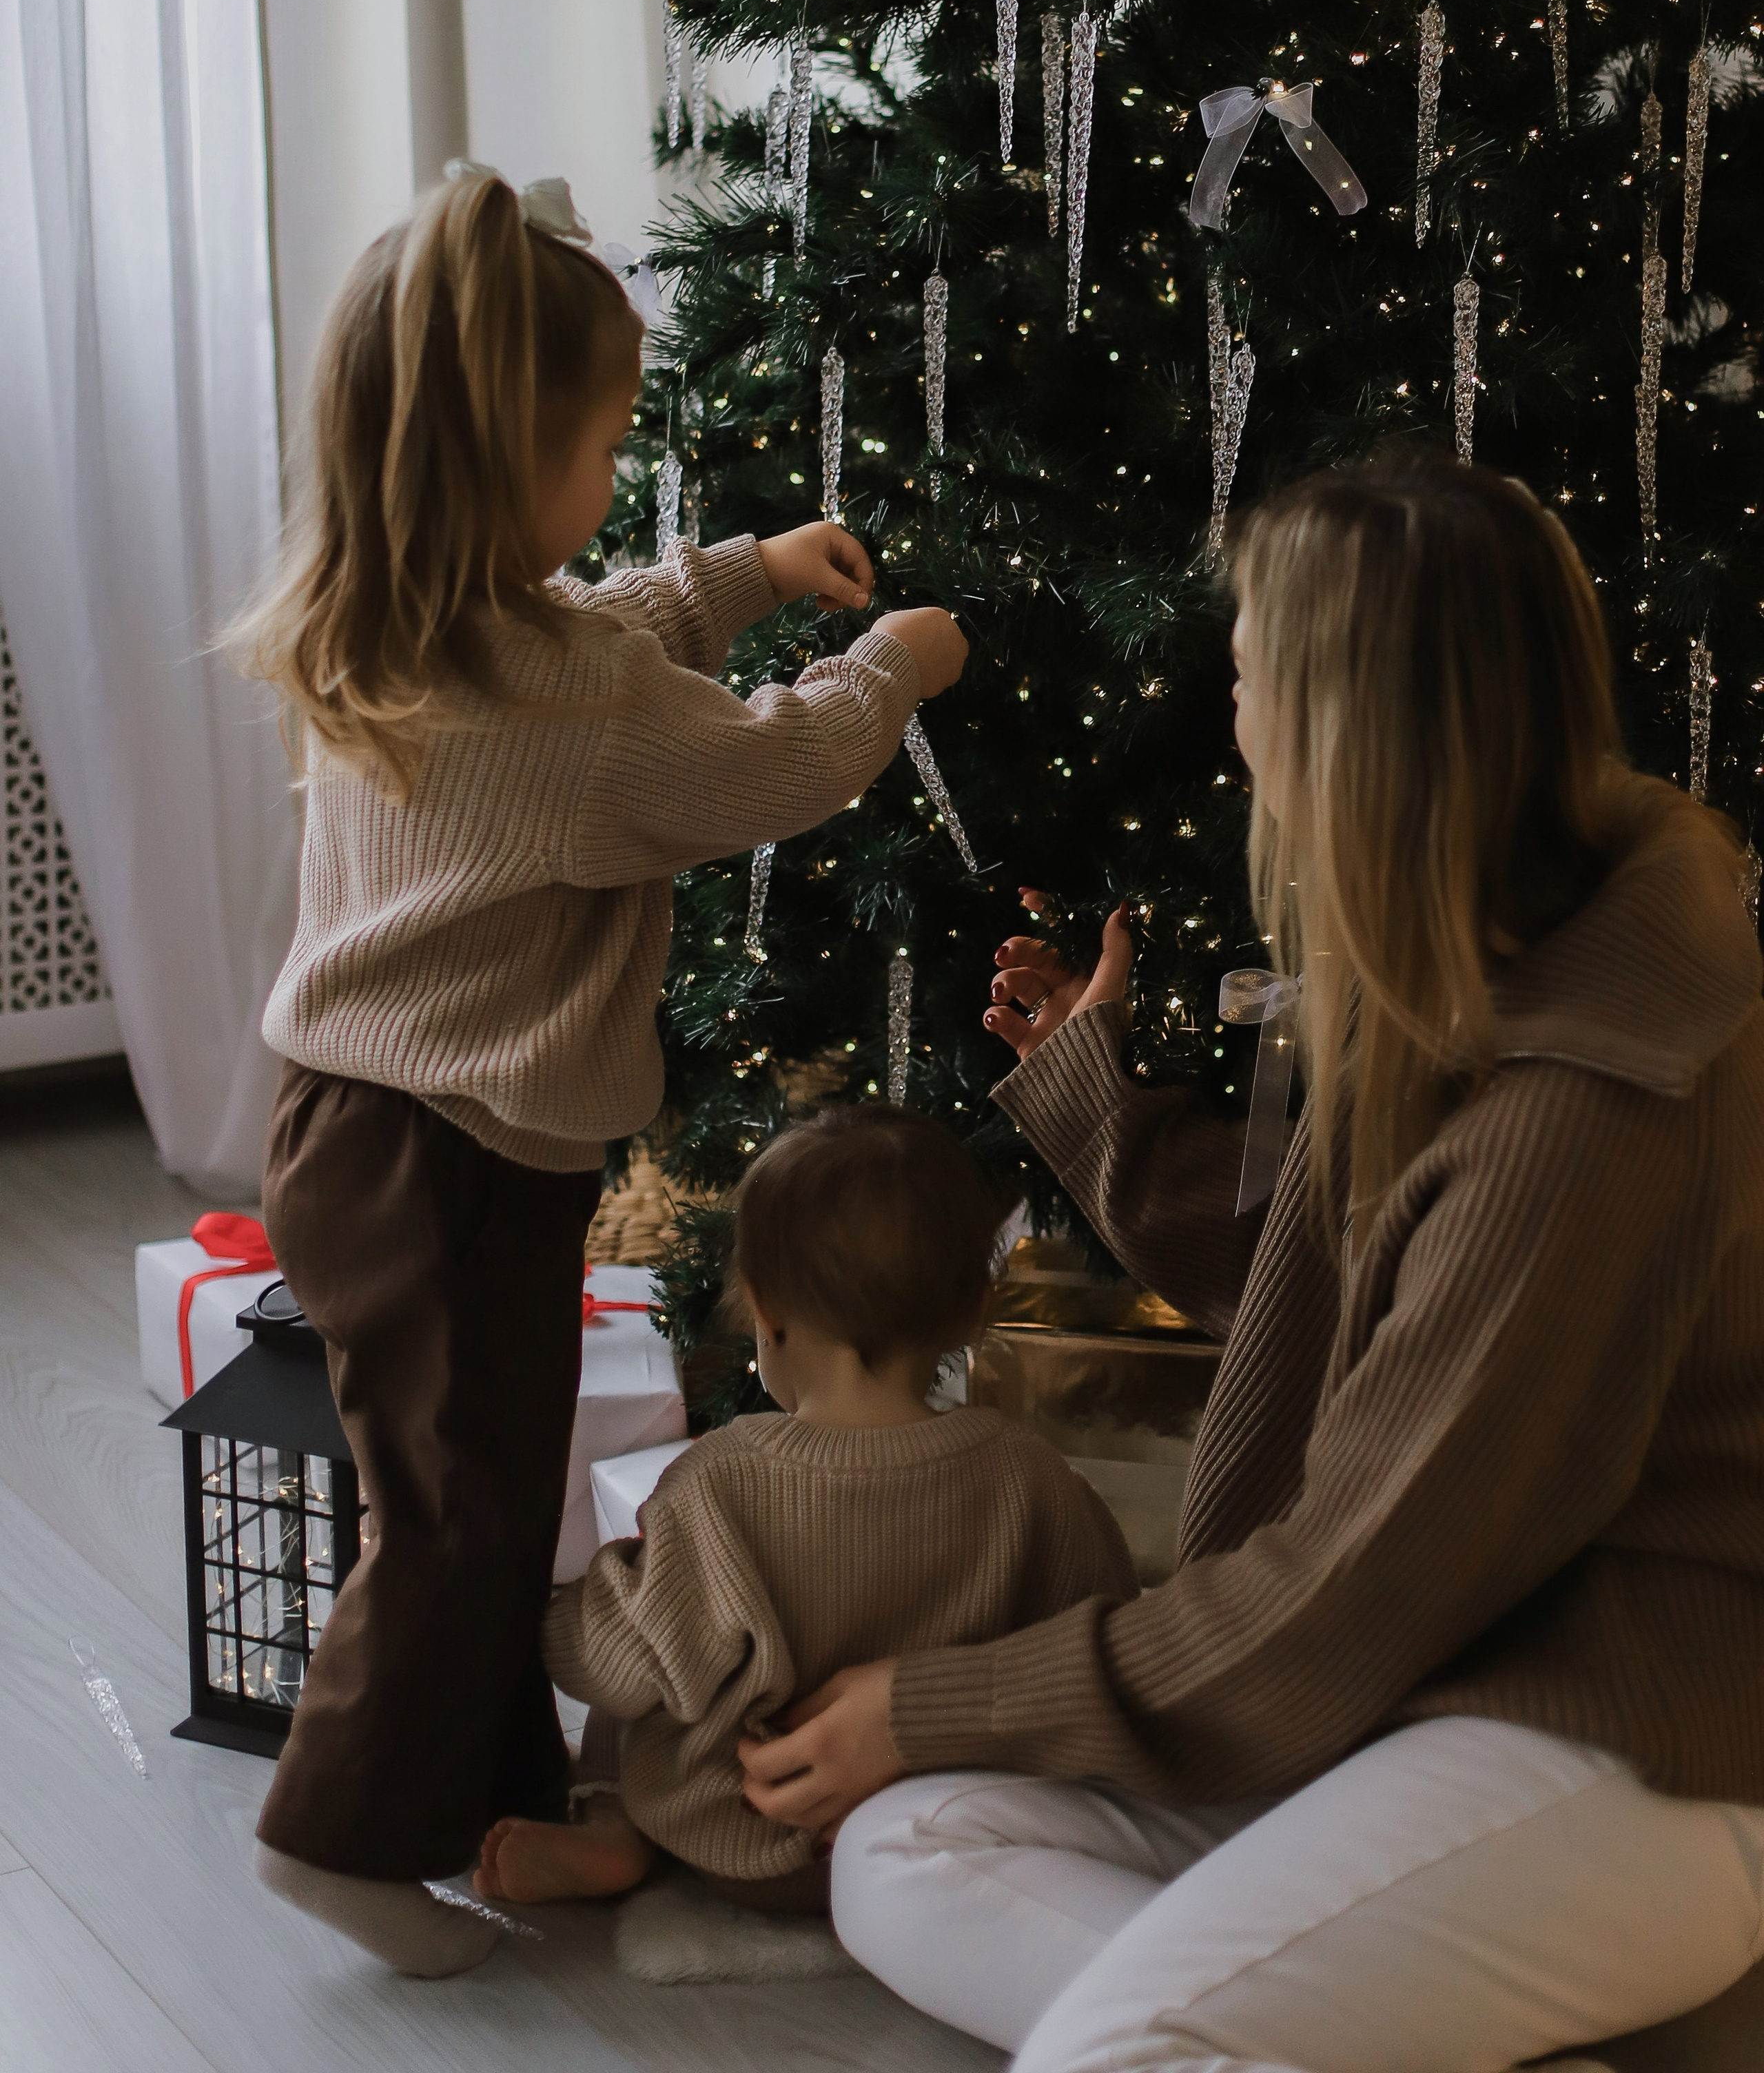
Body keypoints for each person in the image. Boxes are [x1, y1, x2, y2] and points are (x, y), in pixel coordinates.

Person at [740, 453, 1764, 2073]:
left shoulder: (1583, 1102)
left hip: (1623, 1738)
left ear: (1341, 728)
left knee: (1109, 2044)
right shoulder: (1482, 952)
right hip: (1434, 1684)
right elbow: (1365, 1292)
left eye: (1243, 682)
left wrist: (923, 1699)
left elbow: (1332, 1599)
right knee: (905, 1848)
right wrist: (1096, 1116)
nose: (1232, 729)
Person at [232, 165, 967, 1977]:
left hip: (370, 1125)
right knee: (463, 1515)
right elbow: (752, 768)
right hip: (447, 1154)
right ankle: (339, 1835)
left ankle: (480, 1811)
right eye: (605, 441)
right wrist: (886, 667)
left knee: (472, 1490)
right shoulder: (558, 717)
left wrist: (739, 576)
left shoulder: (404, 614)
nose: (615, 471)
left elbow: (605, 639)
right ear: (508, 466)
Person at [472, 1105, 1136, 1918]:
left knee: (640, 1684)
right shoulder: (1031, 1476)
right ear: (973, 1309)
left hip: (739, 1834)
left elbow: (616, 1661)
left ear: (764, 1309)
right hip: (943, 1828)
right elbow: (1099, 1629)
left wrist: (563, 1610)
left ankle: (619, 1826)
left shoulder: (719, 1480)